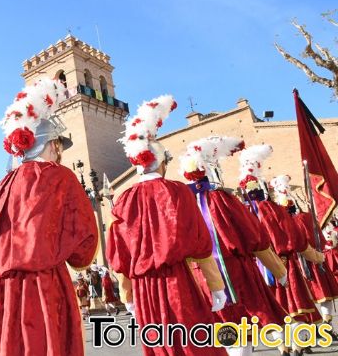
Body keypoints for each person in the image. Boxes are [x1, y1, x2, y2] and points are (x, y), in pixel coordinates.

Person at [0, 78, 98, 356]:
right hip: (45, 286)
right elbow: (84, 243)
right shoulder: (60, 176)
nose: (59, 151)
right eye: (58, 145)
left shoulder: (2, 185)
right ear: (50, 145)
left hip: (3, 291)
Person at [107, 95, 227, 356]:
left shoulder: (123, 199)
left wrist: (128, 294)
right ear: (161, 162)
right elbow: (199, 242)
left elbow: (120, 256)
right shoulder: (177, 191)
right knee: (194, 345)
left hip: (145, 289)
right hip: (178, 282)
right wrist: (216, 284)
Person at [180, 137, 290, 356]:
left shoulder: (182, 204)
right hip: (235, 272)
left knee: (224, 325)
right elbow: (252, 236)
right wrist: (278, 269)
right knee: (249, 315)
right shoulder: (223, 200)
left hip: (201, 275)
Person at [239, 146, 324, 356]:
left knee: (270, 307)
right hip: (284, 265)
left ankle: (282, 345)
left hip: (256, 269)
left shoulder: (242, 211)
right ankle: (296, 344)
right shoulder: (272, 209)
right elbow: (296, 238)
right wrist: (316, 257)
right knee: (292, 304)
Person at [272, 175, 338, 334]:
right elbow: (320, 241)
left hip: (295, 264)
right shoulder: (305, 217)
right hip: (311, 261)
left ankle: (311, 330)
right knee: (322, 295)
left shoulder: (284, 222)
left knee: (304, 298)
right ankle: (325, 325)